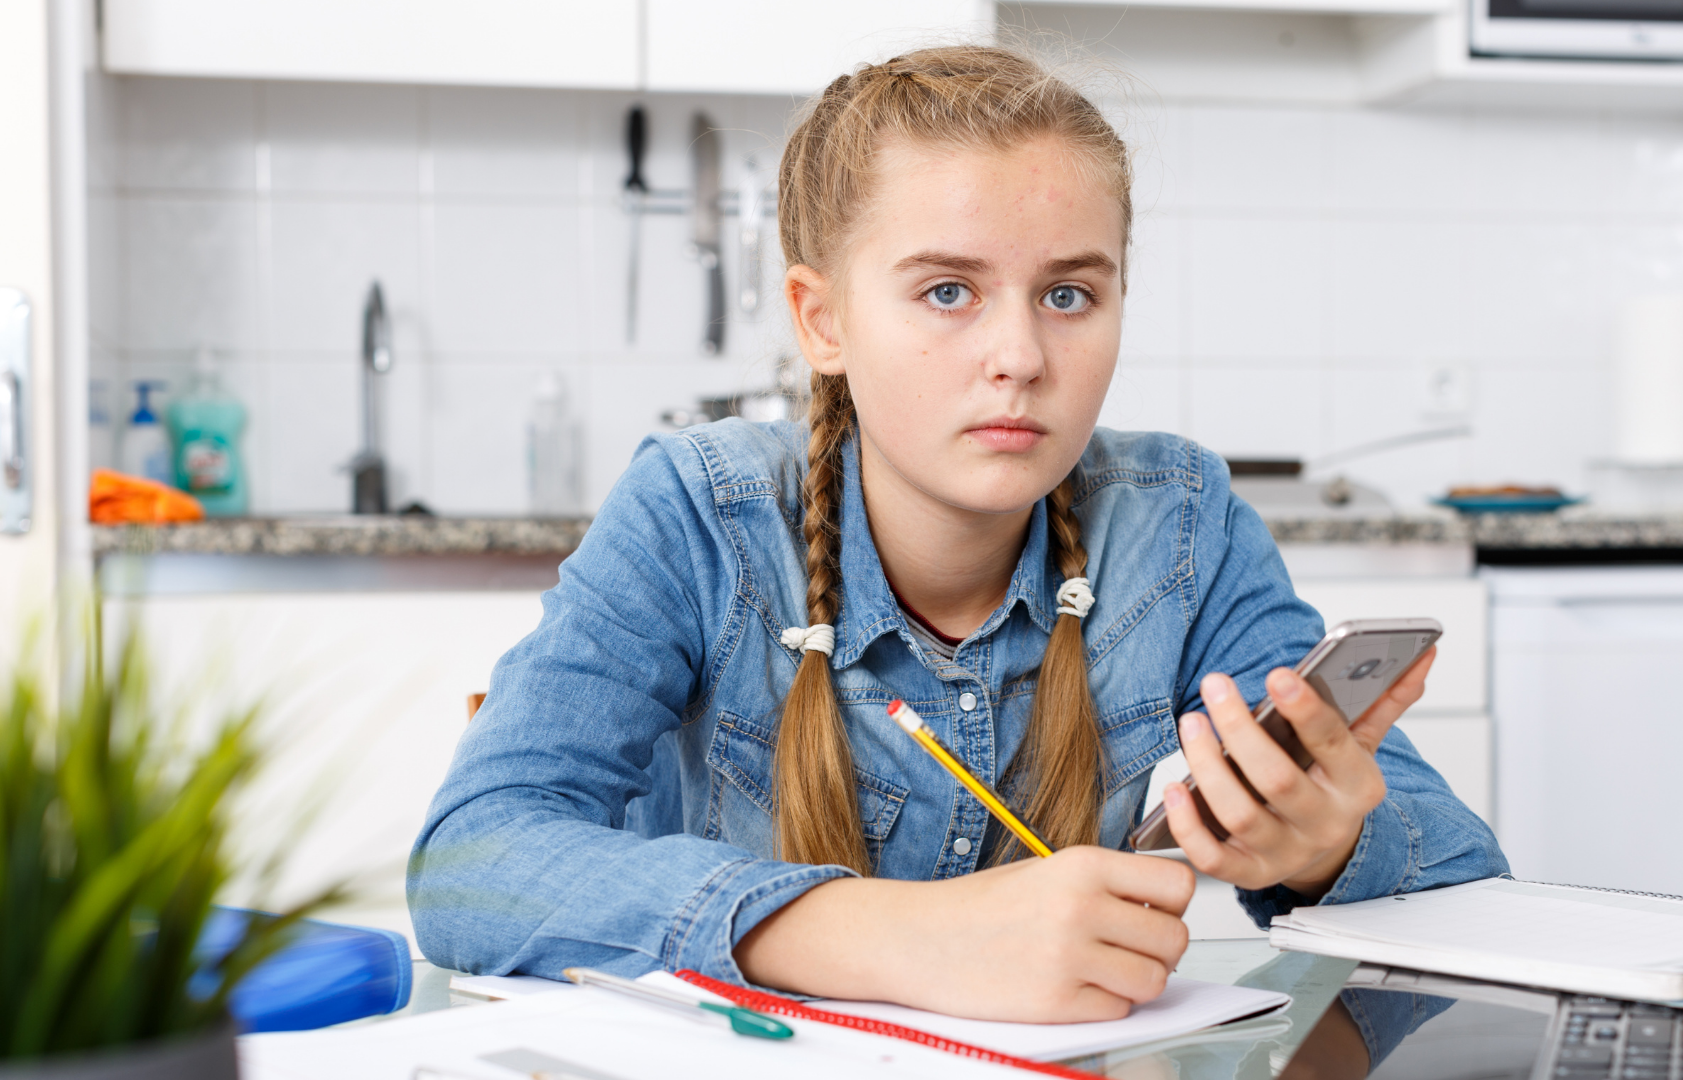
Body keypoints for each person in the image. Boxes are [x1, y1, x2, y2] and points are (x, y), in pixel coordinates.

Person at [409, 44, 1506, 1039]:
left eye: (1069, 293)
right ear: (821, 319)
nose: (1020, 355)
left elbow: (1464, 875)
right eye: (947, 291)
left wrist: (1321, 850)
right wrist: (899, 936)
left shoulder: (1181, 522)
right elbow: (475, 865)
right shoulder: (699, 512)